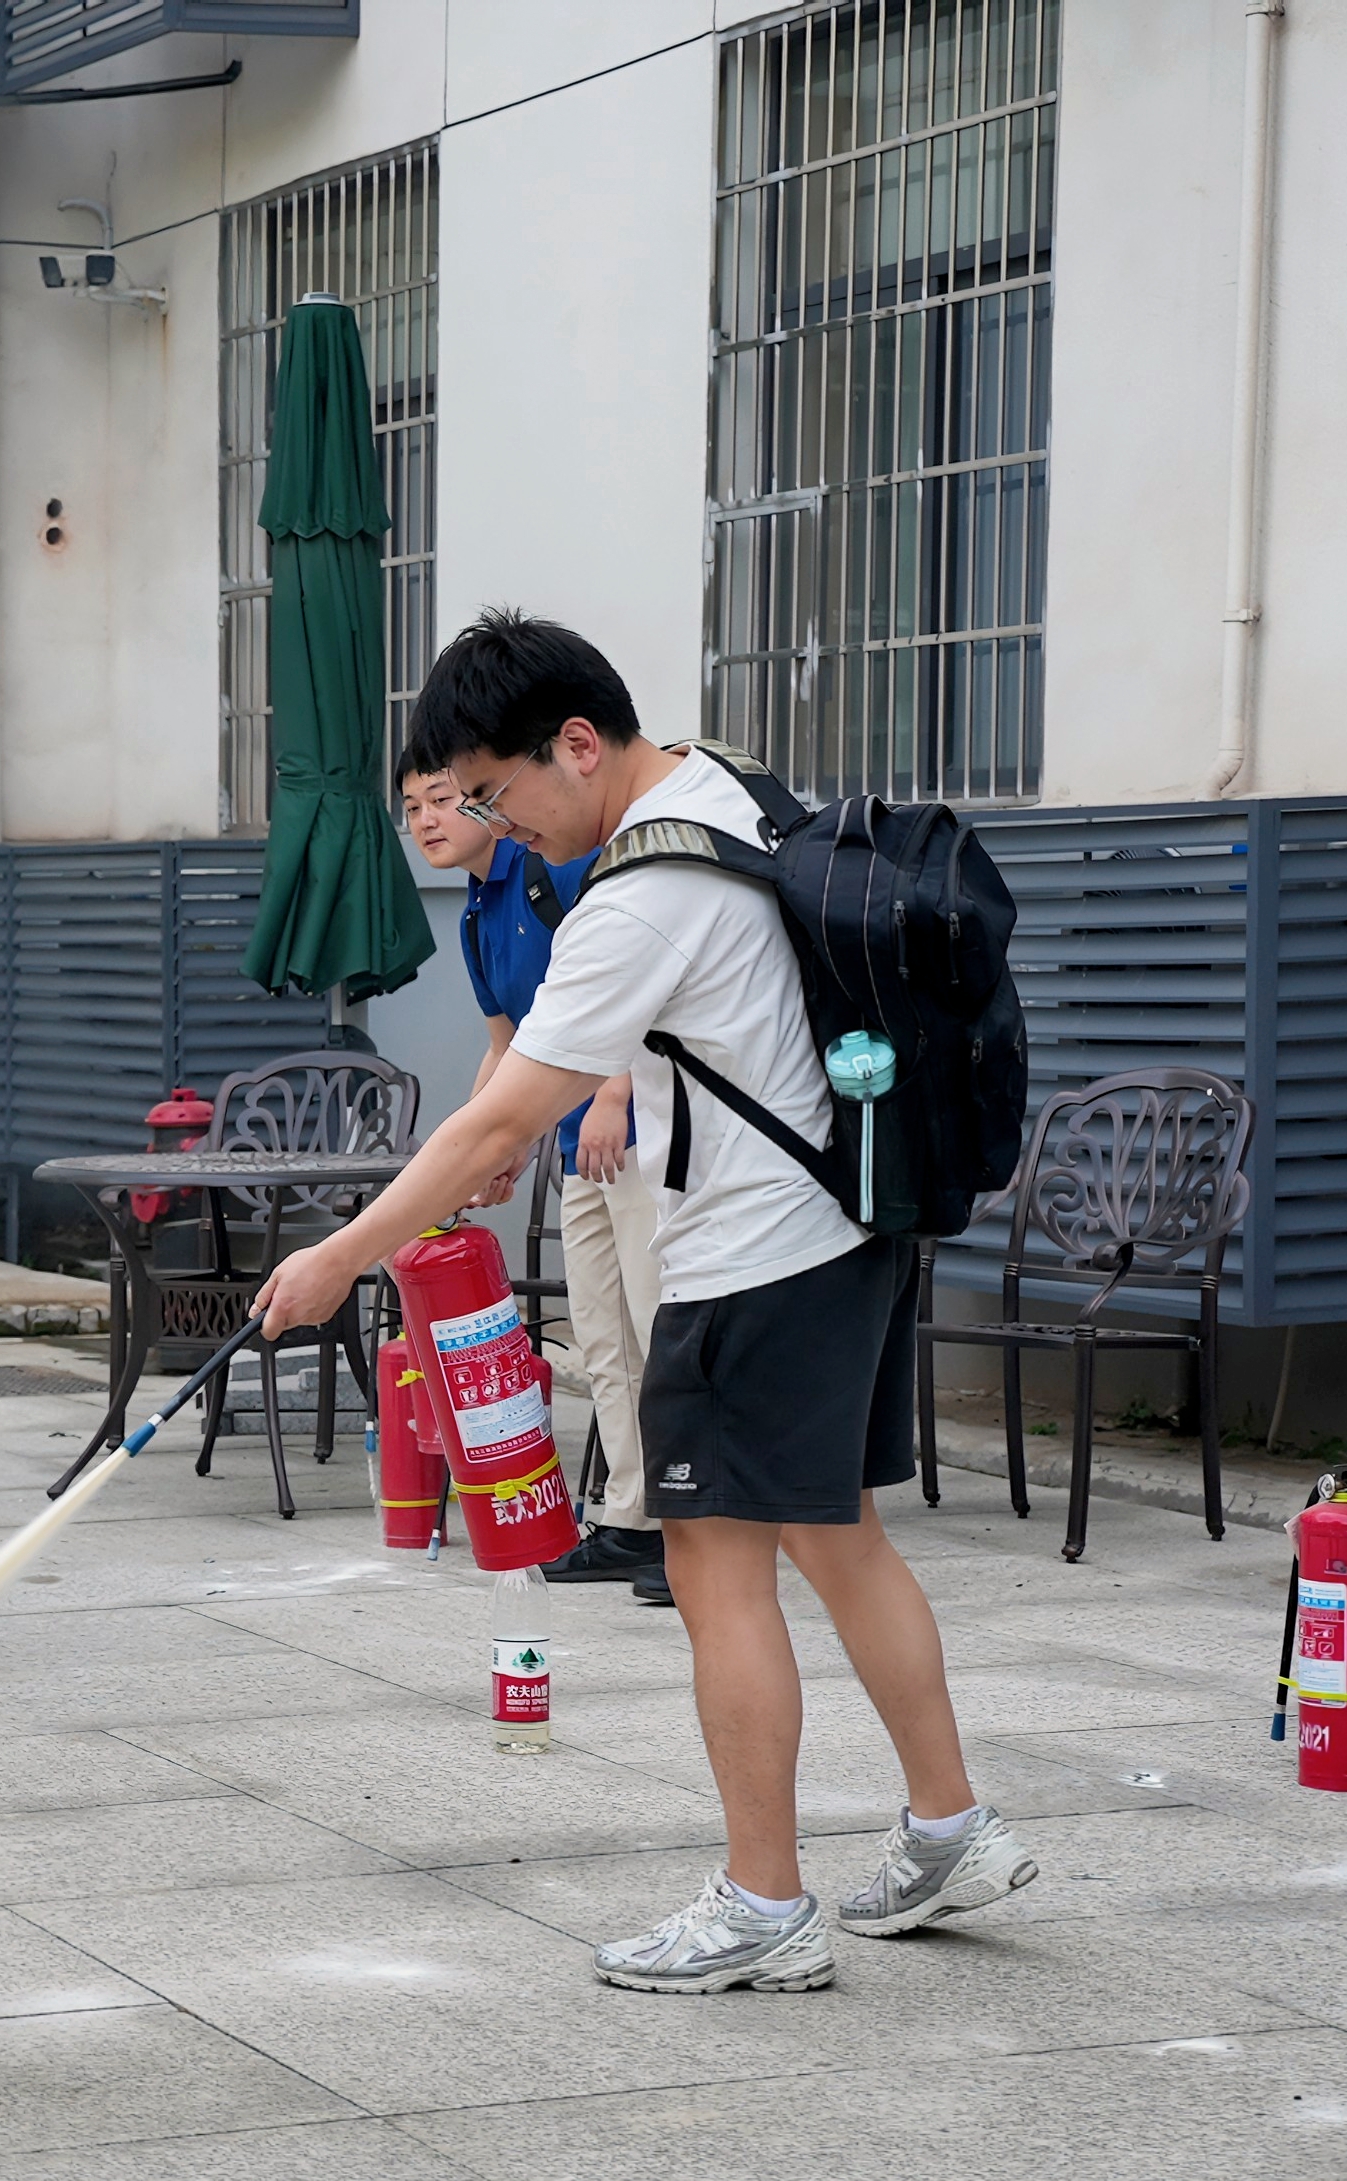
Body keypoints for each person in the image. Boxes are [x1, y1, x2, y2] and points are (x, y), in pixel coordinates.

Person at [264, 612, 1032, 1994]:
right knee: (839, 1539)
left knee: (712, 1570)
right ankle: (949, 1830)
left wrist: (344, 1252)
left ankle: (762, 1905)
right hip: (849, 1225)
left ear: (575, 744)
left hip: (749, 1261)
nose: (493, 826)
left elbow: (497, 1122)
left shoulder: (637, 893)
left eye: (493, 794)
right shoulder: (727, 784)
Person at [396, 765, 667, 1591]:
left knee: (661, 1330)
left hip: (647, 1133)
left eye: (444, 800)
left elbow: (637, 986)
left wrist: (616, 1093)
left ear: (486, 797)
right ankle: (634, 1522)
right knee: (604, 1339)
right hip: (580, 1142)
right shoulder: (476, 913)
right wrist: (487, 1147)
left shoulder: (556, 865)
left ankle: (697, 1529)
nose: (428, 820)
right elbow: (506, 1046)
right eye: (412, 808)